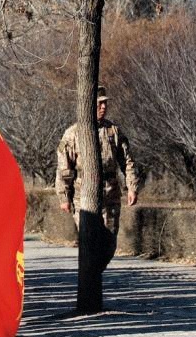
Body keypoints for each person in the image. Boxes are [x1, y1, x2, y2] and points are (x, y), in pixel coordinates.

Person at [55, 85, 140, 266]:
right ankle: (90, 281)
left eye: (105, 104)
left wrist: (132, 187)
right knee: (89, 242)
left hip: (110, 193)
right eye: (99, 104)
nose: (103, 107)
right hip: (83, 195)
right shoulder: (73, 133)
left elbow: (127, 162)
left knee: (109, 242)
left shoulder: (114, 131)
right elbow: (64, 169)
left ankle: (94, 273)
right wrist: (64, 197)